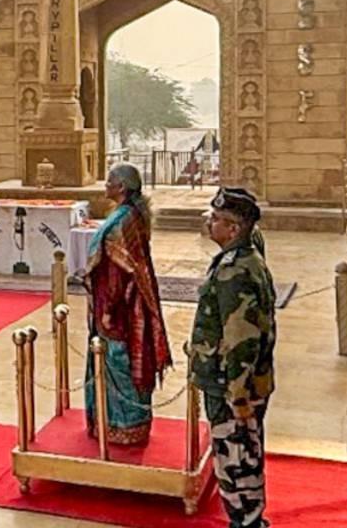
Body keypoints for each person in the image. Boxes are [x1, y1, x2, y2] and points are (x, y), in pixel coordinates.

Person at [192, 187, 277, 528]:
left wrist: (238, 394)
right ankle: (250, 519)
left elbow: (241, 338)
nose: (209, 223)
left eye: (216, 219)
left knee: (237, 456)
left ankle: (245, 522)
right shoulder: (246, 259)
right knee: (246, 452)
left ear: (233, 229)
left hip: (232, 386)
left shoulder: (234, 271)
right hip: (242, 380)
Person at [83, 162, 173, 444]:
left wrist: (108, 309)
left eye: (109, 181)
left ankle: (121, 427)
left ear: (121, 187)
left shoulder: (123, 220)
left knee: (118, 360)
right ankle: (124, 424)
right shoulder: (131, 214)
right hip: (129, 301)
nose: (105, 185)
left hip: (119, 307)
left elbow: (117, 271)